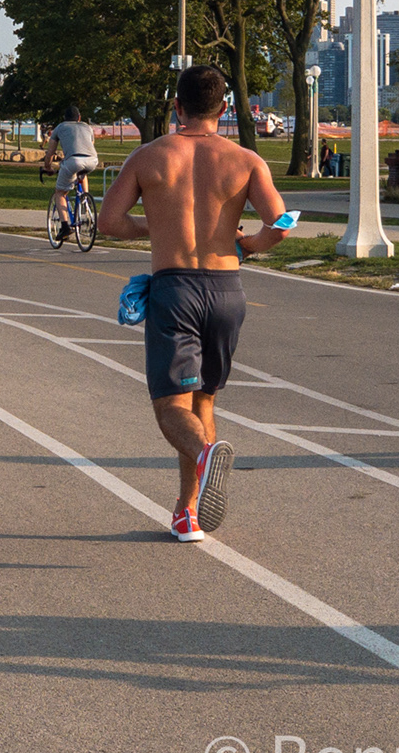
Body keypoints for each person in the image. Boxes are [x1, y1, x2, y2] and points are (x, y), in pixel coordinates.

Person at [96, 66, 292, 543]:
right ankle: (188, 513)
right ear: (224, 109)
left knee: (170, 407)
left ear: (176, 106)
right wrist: (248, 245)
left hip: (176, 289)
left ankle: (204, 457)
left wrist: (156, 226)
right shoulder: (247, 161)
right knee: (203, 399)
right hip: (227, 290)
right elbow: (281, 224)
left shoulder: (149, 156)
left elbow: (109, 222)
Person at [44, 105, 100, 225]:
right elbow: (90, 145)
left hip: (73, 161)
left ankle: (65, 226)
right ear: (79, 117)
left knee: (60, 192)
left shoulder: (60, 127)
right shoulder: (87, 127)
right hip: (92, 160)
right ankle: (85, 199)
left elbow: (50, 152)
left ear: (65, 118)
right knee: (83, 172)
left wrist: (47, 167)